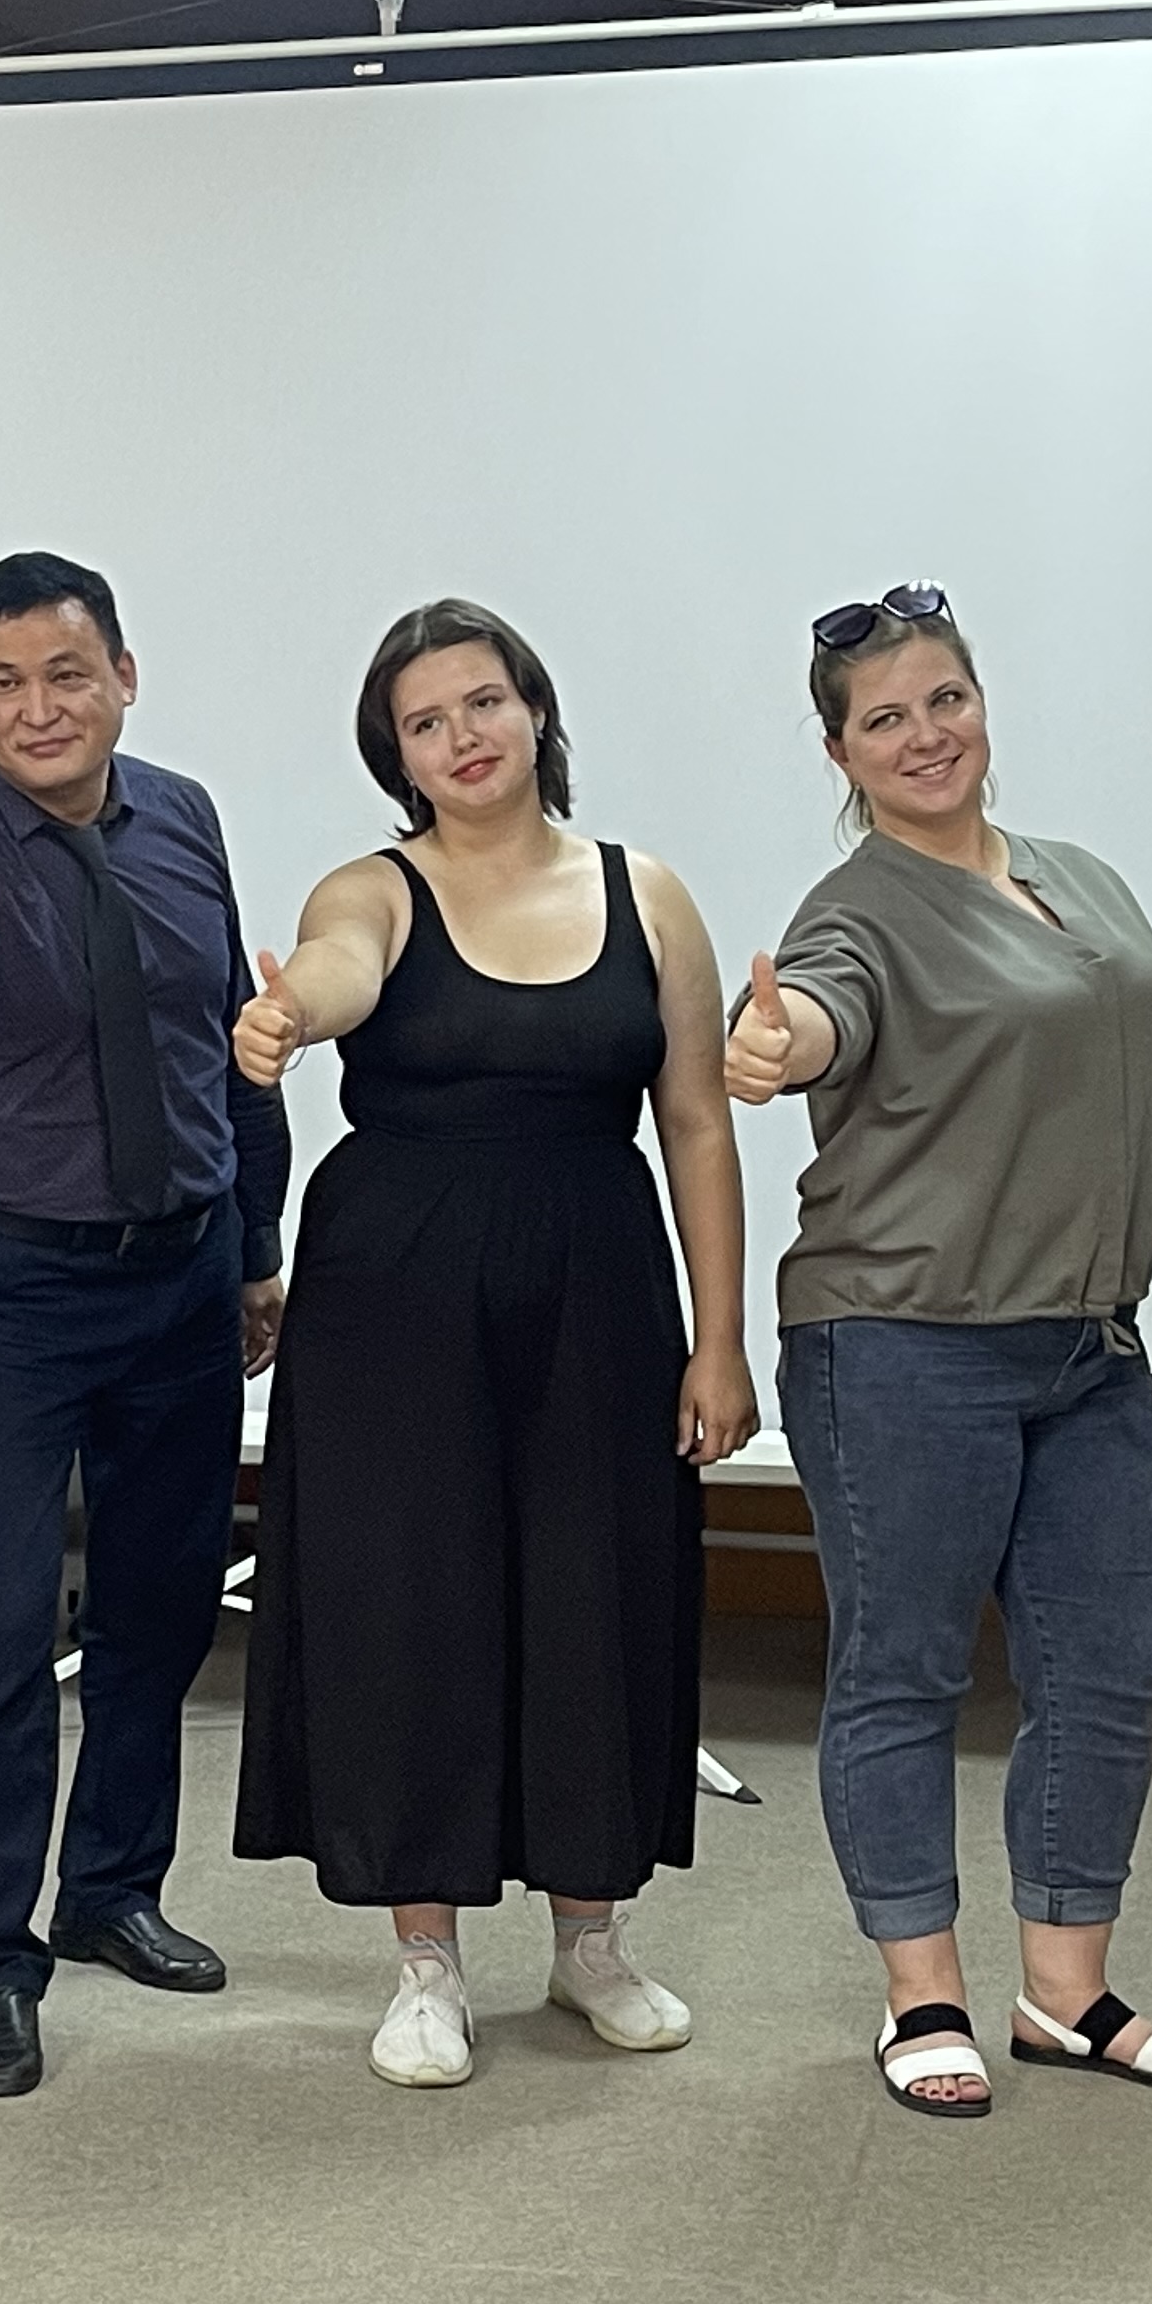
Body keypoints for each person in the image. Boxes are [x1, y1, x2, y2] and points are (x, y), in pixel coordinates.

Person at [724, 589, 1152, 2115]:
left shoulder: (1083, 878)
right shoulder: (855, 912)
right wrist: (778, 1045)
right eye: (884, 719)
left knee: (1107, 1671)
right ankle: (923, 1995)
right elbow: (815, 1019)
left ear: (981, 705)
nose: (926, 735)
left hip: (1087, 1352)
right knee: (904, 1671)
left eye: (945, 699)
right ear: (841, 753)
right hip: (899, 1345)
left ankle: (1067, 1996)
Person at [230, 602, 752, 2085]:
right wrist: (292, 1014)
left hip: (599, 1287)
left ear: (534, 710)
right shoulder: (374, 889)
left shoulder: (646, 892)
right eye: (425, 721)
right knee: (413, 1601)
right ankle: (427, 1963)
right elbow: (341, 964)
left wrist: (720, 1340)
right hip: (394, 1300)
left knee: (597, 1587)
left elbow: (696, 1121)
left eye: (483, 702)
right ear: (394, 755)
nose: (462, 737)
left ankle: (591, 1940)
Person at [0, 553, 289, 2099]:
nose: (39, 708)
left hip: (185, 1274)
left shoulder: (185, 819)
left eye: (66, 674)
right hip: (19, 1286)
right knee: (1, 1616)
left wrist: (256, 1244)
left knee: (161, 1605)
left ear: (123, 678)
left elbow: (230, 1043)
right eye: (3, 684)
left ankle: (111, 1890)